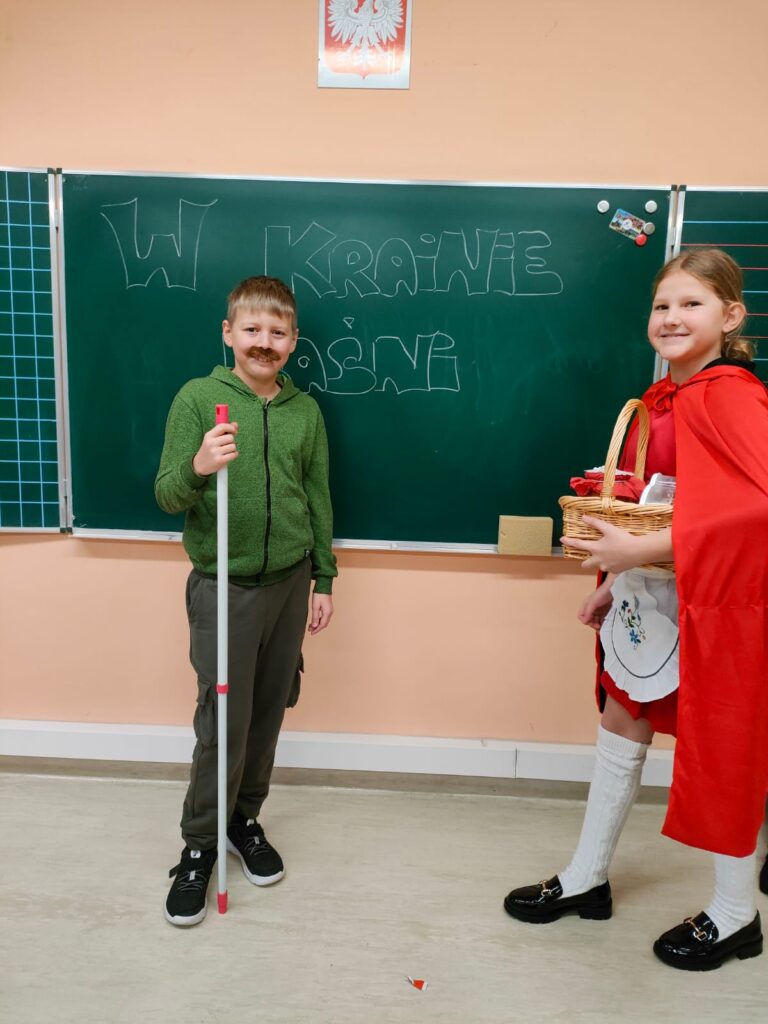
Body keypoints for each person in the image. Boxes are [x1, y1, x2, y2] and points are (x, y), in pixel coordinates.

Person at [504, 248, 768, 970]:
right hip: (658, 594)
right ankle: (586, 877)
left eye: (691, 304)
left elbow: (757, 509)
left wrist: (640, 552)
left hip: (720, 602)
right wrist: (617, 577)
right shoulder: (663, 401)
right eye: (661, 305)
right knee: (623, 715)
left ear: (731, 316)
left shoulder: (731, 394)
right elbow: (658, 502)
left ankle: (736, 913)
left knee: (724, 741)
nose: (672, 318)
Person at [155, 275, 337, 926]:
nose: (265, 342)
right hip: (224, 586)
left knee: (266, 714)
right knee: (223, 721)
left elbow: (317, 497)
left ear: (293, 340)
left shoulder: (304, 412)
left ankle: (243, 819)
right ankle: (199, 845)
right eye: (252, 329)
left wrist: (324, 577)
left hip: (289, 582)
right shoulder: (197, 399)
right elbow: (167, 494)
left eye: (277, 332)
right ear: (228, 333)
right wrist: (200, 464)